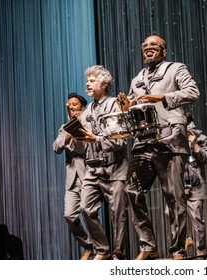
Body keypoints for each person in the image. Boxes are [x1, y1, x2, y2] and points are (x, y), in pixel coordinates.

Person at [117, 35, 200, 260]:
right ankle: (149, 246)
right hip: (144, 142)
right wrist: (126, 107)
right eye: (145, 46)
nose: (148, 49)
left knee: (174, 197)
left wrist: (162, 97)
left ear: (164, 51)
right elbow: (134, 109)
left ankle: (178, 249)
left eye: (154, 45)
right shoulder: (137, 79)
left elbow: (193, 92)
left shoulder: (175, 69)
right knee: (131, 190)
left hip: (170, 140)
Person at [72, 65, 129, 260]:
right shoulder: (88, 109)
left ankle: (119, 253)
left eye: (92, 80)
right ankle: (102, 249)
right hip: (92, 169)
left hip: (114, 168)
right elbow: (82, 142)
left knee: (117, 214)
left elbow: (120, 140)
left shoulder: (114, 105)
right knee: (85, 208)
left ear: (104, 84)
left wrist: (95, 138)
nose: (87, 84)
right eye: (87, 80)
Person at [52, 92, 94, 260]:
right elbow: (56, 147)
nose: (71, 108)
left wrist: (79, 131)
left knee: (88, 212)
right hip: (72, 180)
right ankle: (88, 245)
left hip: (88, 176)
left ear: (82, 108)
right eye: (69, 105)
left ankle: (102, 249)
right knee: (69, 215)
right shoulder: (64, 127)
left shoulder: (89, 124)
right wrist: (67, 136)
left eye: (74, 105)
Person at [183, 112, 207, 256]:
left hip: (196, 185)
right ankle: (186, 239)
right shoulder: (174, 138)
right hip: (179, 182)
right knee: (172, 215)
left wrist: (194, 144)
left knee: (197, 219)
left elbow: (205, 159)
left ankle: (201, 252)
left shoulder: (201, 138)